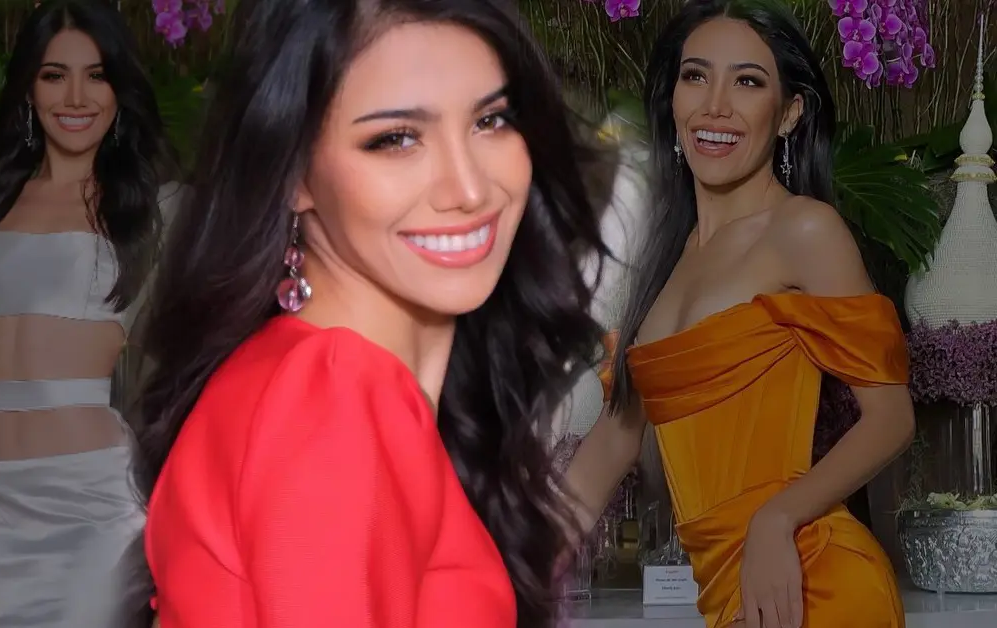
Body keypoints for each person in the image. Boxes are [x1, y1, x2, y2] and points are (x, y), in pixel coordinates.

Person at [130, 0, 619, 626]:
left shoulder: (315, 383)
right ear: (293, 173)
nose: (470, 189)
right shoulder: (332, 399)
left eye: (491, 120)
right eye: (396, 139)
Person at [564, 1, 915, 628]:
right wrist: (499, 565)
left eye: (748, 82)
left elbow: (891, 419)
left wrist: (776, 518)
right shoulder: (666, 259)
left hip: (811, 576)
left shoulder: (803, 229)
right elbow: (612, 442)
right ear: (673, 101)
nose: (716, 105)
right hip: (726, 591)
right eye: (695, 76)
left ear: (789, 113)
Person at [0, 1, 178, 626]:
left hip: (96, 502)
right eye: (54, 74)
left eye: (97, 75)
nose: (77, 97)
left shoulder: (155, 211)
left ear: (118, 90)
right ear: (29, 89)